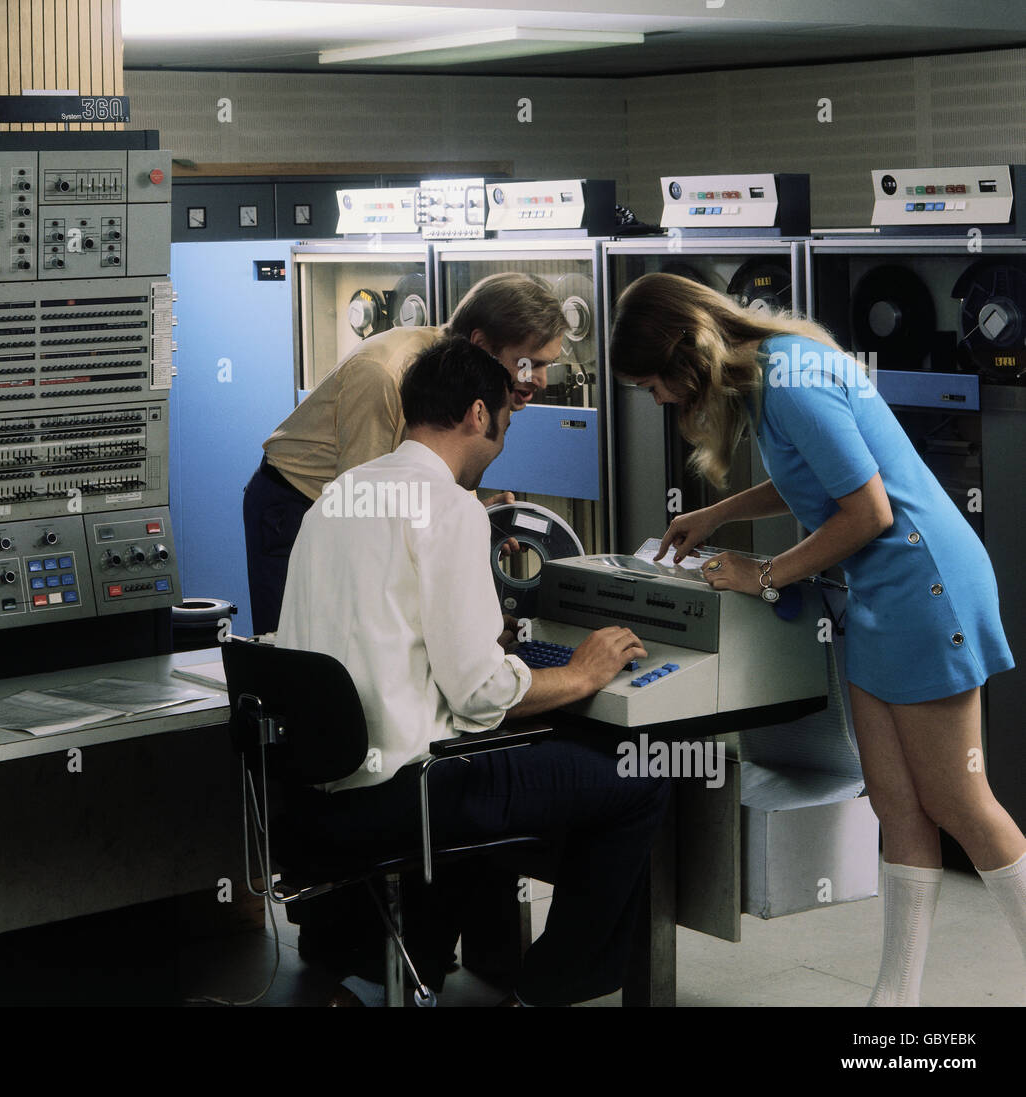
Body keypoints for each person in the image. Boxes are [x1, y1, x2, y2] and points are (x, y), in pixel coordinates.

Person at [608, 271, 1025, 1007]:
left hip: (926, 586)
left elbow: (867, 510)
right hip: (876, 593)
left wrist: (764, 572)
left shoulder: (791, 379)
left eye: (652, 385)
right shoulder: (771, 373)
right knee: (895, 808)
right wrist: (720, 516)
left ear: (685, 359)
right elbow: (820, 478)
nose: (659, 400)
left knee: (961, 801)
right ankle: (894, 1002)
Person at [275, 336, 669, 1006]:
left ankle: (397, 966)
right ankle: (550, 990)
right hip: (411, 795)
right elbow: (481, 693)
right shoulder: (450, 505)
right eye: (506, 426)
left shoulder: (337, 496)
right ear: (479, 415)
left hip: (312, 798)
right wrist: (579, 672)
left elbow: (368, 637)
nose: (502, 446)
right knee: (641, 774)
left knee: (515, 761)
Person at [243, 272, 568, 635]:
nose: (540, 380)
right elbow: (364, 516)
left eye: (546, 366)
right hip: (295, 503)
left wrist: (467, 516)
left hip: (357, 502)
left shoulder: (461, 376)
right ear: (481, 344)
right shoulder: (385, 375)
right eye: (530, 363)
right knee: (293, 649)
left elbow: (431, 473)